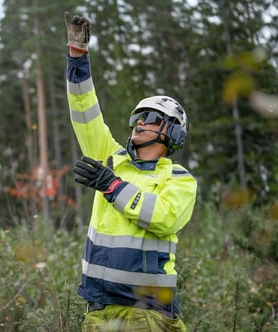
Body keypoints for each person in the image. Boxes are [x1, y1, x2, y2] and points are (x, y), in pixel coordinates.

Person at [64, 12, 198, 332]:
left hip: (148, 313)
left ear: (171, 133)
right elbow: (84, 110)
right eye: (139, 116)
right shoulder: (111, 158)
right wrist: (77, 55)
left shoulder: (178, 179)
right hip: (98, 309)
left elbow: (164, 217)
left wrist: (111, 185)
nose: (140, 122)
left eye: (151, 117)